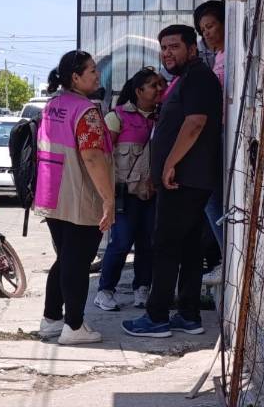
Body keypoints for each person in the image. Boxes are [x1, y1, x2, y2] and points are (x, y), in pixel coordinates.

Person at [122, 25, 222, 338]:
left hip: (184, 178)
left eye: (174, 46)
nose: (167, 53)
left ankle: (157, 317)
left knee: (164, 245)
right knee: (190, 247)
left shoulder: (198, 77)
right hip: (187, 178)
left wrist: (169, 164)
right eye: (164, 47)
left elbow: (195, 123)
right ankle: (189, 315)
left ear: (192, 48)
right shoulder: (184, 79)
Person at [35, 50, 115, 345]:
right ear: (75, 77)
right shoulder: (86, 111)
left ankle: (51, 319)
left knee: (65, 258)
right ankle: (74, 326)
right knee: (78, 262)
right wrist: (108, 199)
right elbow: (93, 157)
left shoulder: (53, 105)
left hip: (52, 191)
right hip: (80, 193)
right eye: (92, 71)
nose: (97, 75)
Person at [94, 68, 164, 312]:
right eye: (153, 85)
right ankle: (105, 291)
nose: (159, 89)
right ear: (138, 91)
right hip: (124, 193)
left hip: (151, 192)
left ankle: (142, 288)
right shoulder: (118, 117)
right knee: (121, 242)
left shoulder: (161, 117)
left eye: (160, 85)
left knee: (148, 243)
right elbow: (102, 155)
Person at [194, 0, 226, 286]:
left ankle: (228, 257)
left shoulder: (228, 57)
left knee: (213, 200)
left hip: (223, 134)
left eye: (211, 26)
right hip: (217, 136)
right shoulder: (217, 58)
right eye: (203, 29)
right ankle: (226, 256)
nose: (207, 33)